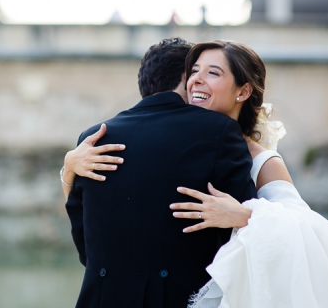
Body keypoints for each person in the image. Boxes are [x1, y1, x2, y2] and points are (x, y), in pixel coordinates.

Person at [63, 40, 328, 307]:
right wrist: (68, 169)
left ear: (243, 90)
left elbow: (306, 231)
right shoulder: (209, 135)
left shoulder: (261, 158)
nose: (197, 80)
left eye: (213, 73)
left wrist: (247, 216)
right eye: (194, 71)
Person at [64, 38, 257, 308]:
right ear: (183, 76)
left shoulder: (92, 138)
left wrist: (66, 171)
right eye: (194, 71)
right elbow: (241, 240)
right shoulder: (218, 131)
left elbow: (86, 244)